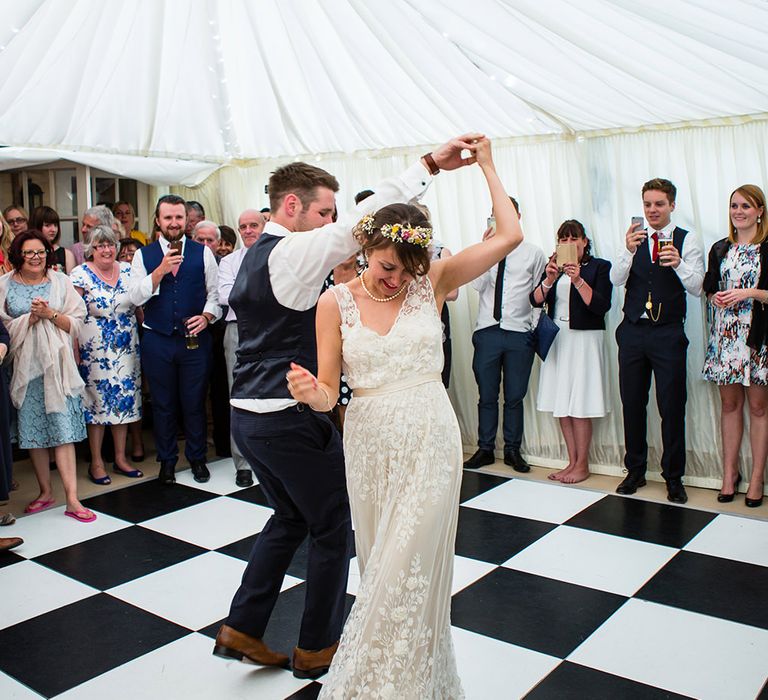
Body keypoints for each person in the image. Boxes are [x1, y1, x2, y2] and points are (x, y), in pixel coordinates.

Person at [213, 134, 480, 680]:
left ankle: (242, 625)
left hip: (248, 414)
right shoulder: (288, 251)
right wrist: (427, 164)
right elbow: (361, 224)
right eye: (324, 211)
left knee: (289, 517)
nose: (331, 221)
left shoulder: (250, 258)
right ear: (292, 207)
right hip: (287, 413)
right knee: (333, 525)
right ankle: (317, 647)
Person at [287, 138, 520, 697]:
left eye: (408, 269)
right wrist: (311, 395)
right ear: (366, 248)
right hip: (368, 443)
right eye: (389, 267)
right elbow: (328, 391)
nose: (397, 280)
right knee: (380, 569)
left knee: (406, 568)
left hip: (430, 437)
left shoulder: (431, 283)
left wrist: (486, 165)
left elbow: (510, 236)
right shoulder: (333, 303)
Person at [611, 178, 704, 504]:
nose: (652, 210)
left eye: (659, 204)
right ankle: (634, 471)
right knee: (632, 404)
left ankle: (674, 478)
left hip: (668, 333)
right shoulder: (633, 239)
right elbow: (616, 279)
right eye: (648, 204)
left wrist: (678, 263)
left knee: (672, 407)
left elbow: (697, 287)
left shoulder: (687, 240)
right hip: (633, 332)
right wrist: (627, 250)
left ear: (672, 206)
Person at [0, 230, 94, 522]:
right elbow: (2, 326)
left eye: (40, 252)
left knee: (63, 430)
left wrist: (50, 314)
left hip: (57, 367)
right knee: (34, 430)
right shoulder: (3, 284)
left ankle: (72, 499)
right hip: (23, 369)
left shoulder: (60, 281)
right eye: (28, 252)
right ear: (18, 255)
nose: (35, 257)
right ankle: (45, 492)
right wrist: (28, 318)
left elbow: (77, 322)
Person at [128, 195, 220, 485]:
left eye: (178, 217)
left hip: (194, 341)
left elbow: (215, 296)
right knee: (163, 404)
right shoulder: (143, 255)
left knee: (194, 402)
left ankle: (196, 458)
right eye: (168, 218)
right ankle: (167, 460)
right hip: (157, 340)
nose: (174, 223)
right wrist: (159, 272)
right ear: (158, 220)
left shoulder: (202, 253)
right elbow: (135, 297)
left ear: (186, 220)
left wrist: (206, 317)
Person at [464, 198, 546, 472]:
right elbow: (476, 284)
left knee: (514, 396)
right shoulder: (484, 250)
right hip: (487, 330)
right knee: (486, 394)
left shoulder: (533, 253)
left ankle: (513, 450)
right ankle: (485, 448)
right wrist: (486, 250)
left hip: (518, 333)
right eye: (495, 214)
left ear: (518, 216)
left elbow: (539, 295)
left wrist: (532, 330)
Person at [531, 220, 613, 484]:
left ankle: (583, 464)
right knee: (562, 402)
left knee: (579, 402)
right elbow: (535, 300)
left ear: (585, 241)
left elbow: (600, 306)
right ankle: (571, 461)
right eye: (563, 239)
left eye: (573, 238)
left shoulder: (599, 267)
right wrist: (549, 279)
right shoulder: (553, 269)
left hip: (585, 339)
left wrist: (577, 279)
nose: (568, 244)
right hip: (558, 337)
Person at [702, 185, 768, 507]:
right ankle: (729, 475)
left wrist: (747, 293)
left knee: (758, 408)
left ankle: (757, 479)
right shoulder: (719, 248)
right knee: (729, 407)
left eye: (746, 206)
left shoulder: (767, 247)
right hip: (725, 338)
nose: (738, 211)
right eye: (734, 206)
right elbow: (708, 286)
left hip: (757, 339)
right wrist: (716, 295)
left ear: (760, 211)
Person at [71, 225, 143, 485]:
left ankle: (121, 458)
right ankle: (97, 462)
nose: (106, 249)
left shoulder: (127, 269)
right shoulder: (80, 274)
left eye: (110, 244)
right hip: (94, 352)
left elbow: (139, 305)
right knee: (97, 404)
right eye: (100, 245)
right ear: (90, 248)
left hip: (126, 348)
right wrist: (74, 349)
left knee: (123, 399)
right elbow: (73, 314)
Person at [217, 209, 265, 487]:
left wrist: (245, 291)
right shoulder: (229, 261)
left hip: (271, 329)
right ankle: (243, 462)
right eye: (243, 226)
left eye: (253, 225)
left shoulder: (277, 256)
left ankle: (270, 457)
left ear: (264, 226)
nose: (248, 230)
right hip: (238, 330)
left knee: (271, 393)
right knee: (239, 395)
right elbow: (226, 296)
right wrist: (261, 293)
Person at [29, 206, 75, 274]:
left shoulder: (66, 254)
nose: (53, 230)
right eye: (47, 225)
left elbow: (70, 282)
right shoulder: (27, 253)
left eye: (55, 225)